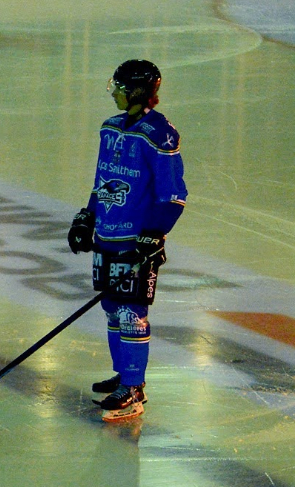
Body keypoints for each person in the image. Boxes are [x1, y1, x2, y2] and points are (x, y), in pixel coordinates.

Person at [68, 59, 186, 422]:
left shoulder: (160, 134)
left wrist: (154, 234)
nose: (114, 91)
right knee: (110, 308)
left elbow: (173, 196)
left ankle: (134, 389)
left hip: (135, 239)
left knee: (131, 312)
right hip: (106, 233)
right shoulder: (111, 127)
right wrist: (88, 215)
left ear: (136, 91)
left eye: (119, 86)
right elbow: (102, 177)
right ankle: (124, 375)